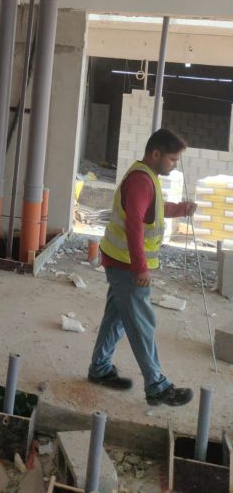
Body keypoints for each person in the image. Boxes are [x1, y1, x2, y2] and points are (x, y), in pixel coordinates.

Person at [88, 129, 196, 406]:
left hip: (120, 261)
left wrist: (181, 209)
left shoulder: (147, 177)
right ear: (156, 154)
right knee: (142, 324)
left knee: (116, 319)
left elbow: (152, 210)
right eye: (172, 159)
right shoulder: (141, 181)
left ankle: (99, 368)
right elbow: (134, 226)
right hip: (127, 265)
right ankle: (157, 386)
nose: (174, 165)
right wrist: (140, 269)